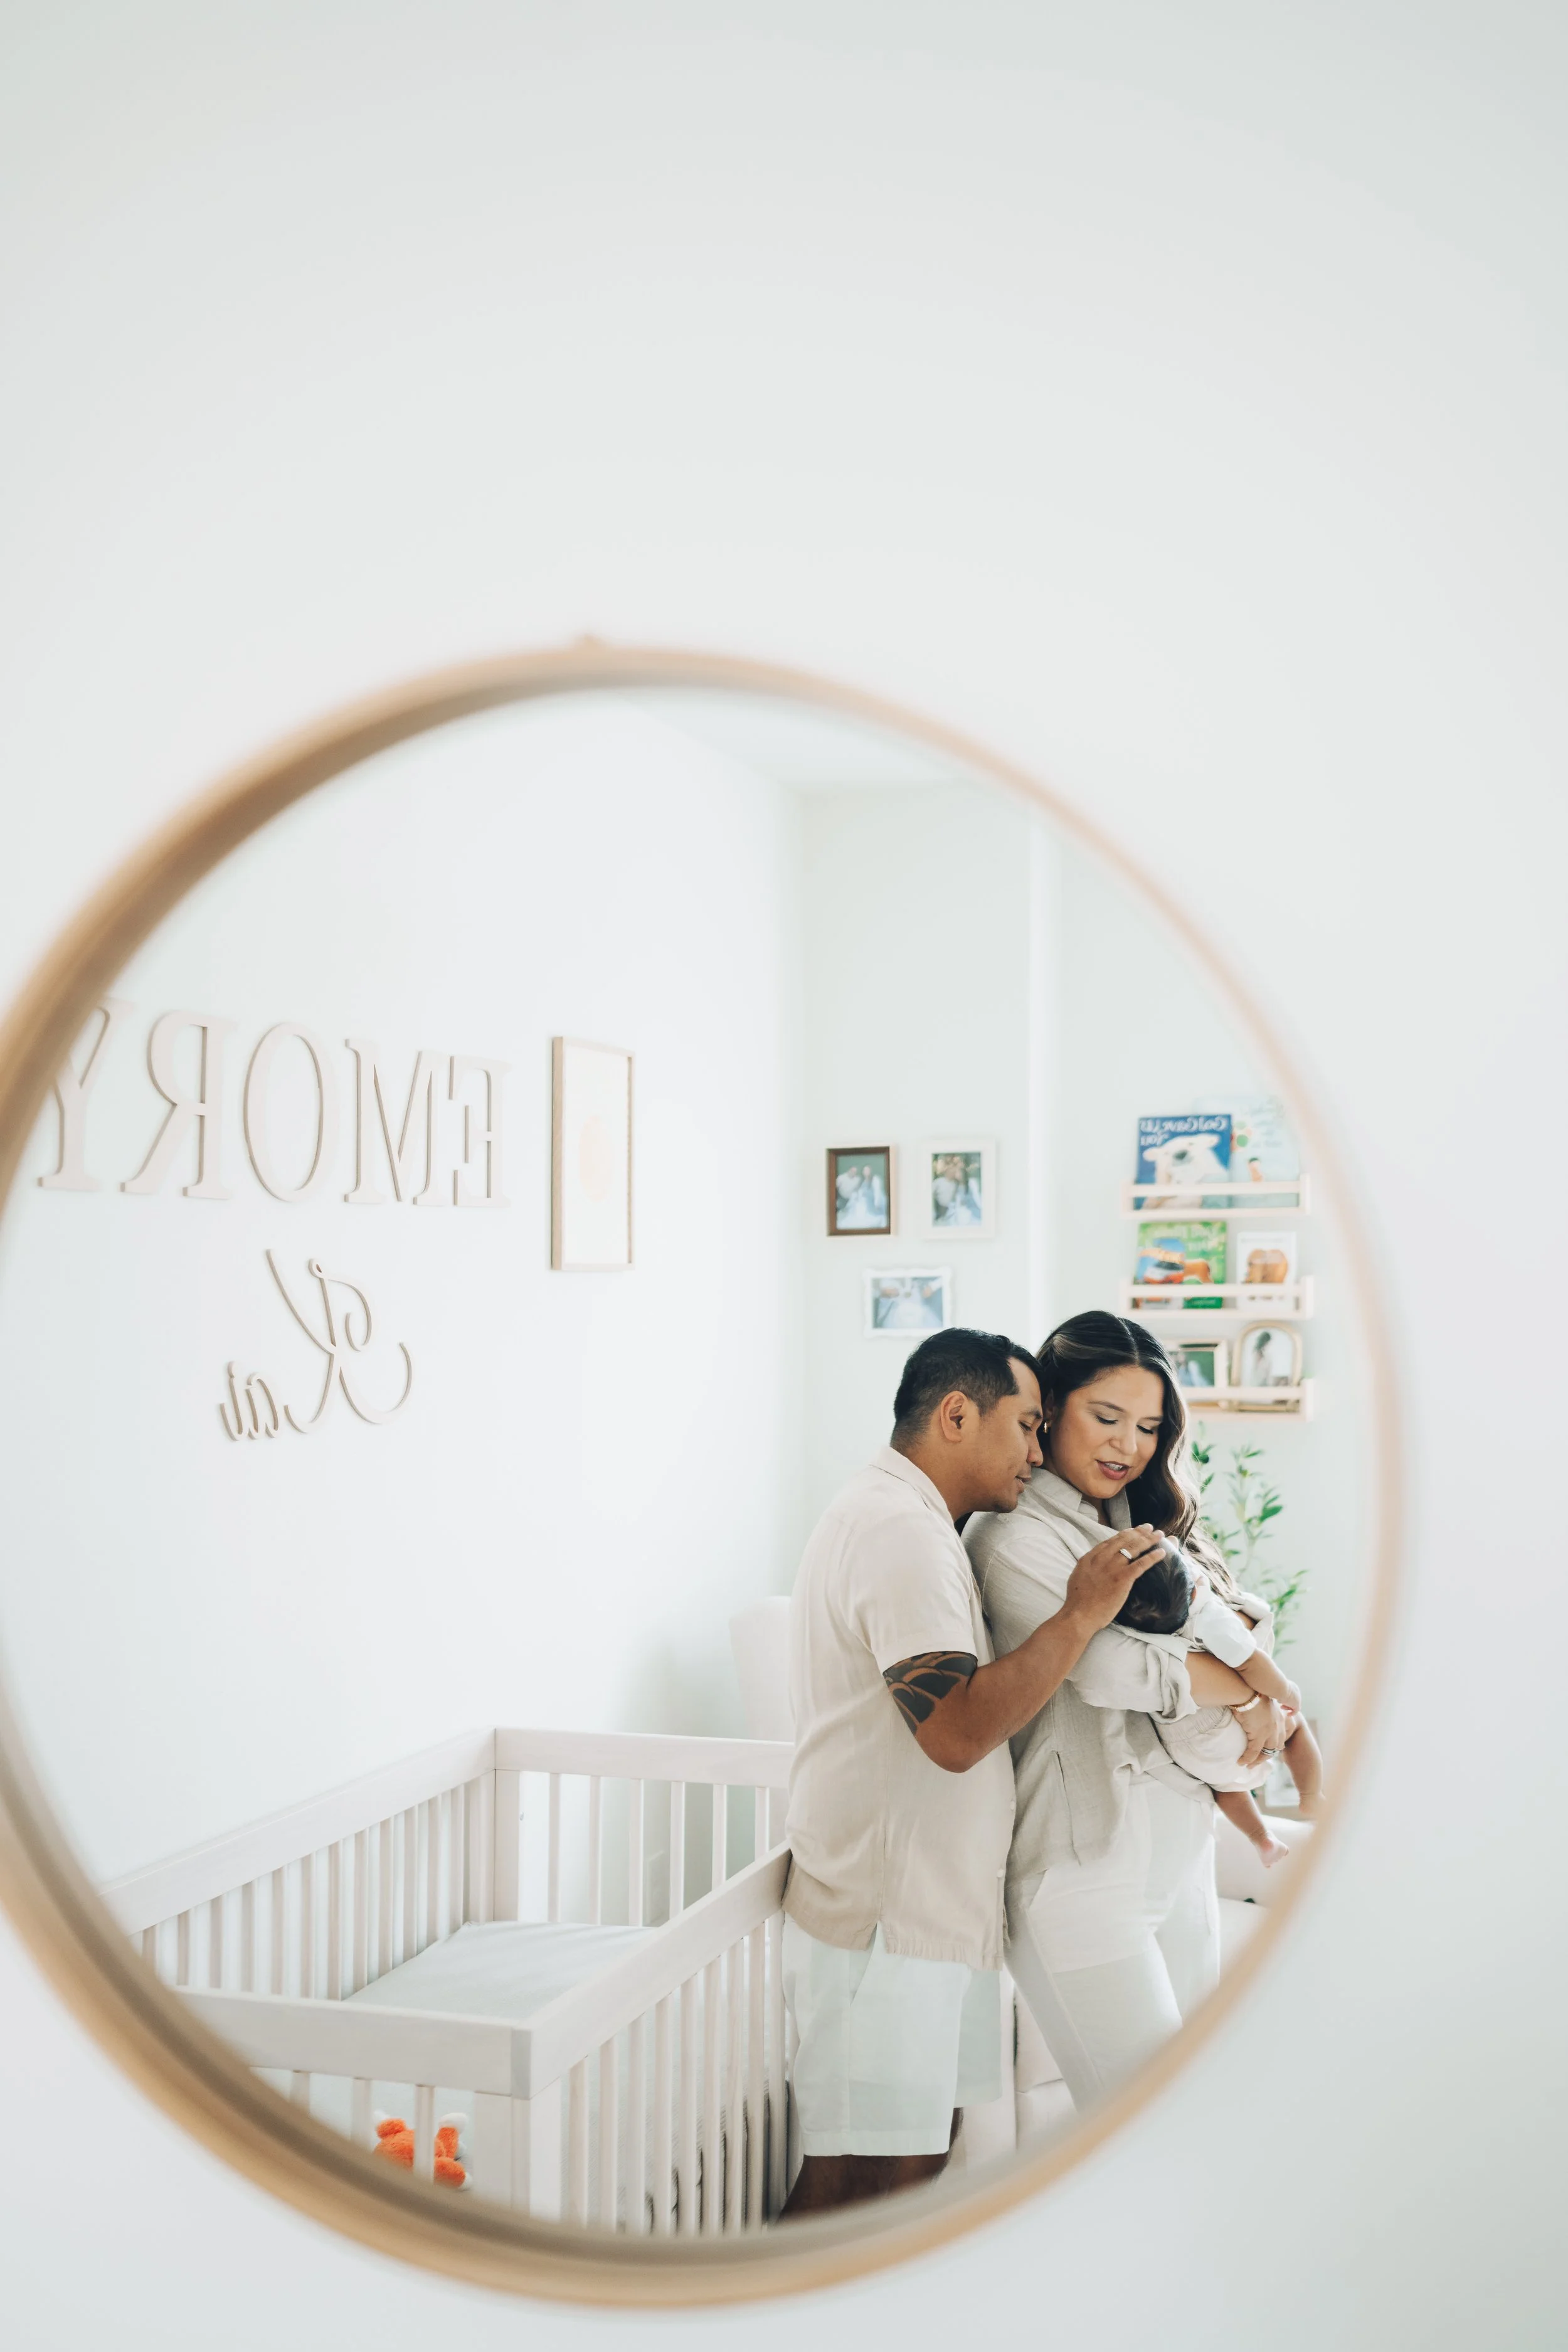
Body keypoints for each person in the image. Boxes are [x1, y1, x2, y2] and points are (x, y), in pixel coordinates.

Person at [779, 1326, 1160, 2217]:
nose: (1038, 1449)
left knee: (910, 2165)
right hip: (884, 1920)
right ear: (957, 1414)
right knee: (858, 2180)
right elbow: (952, 1732)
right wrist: (1079, 1616)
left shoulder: (914, 1523)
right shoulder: (897, 1533)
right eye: (1027, 1424)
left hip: (925, 1915)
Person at [965, 1311, 1295, 2115]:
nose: (1129, 1445)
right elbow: (1107, 1671)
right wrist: (1248, 1688)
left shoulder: (1138, 1521)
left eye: (1148, 1427)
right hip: (1080, 1880)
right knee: (1143, 2131)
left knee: (1200, 2115)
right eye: (1105, 1418)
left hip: (1177, 1862)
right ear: (1050, 1410)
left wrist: (1242, 1678)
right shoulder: (1013, 1536)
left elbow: (1245, 1620)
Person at [1113, 1542, 1325, 1865]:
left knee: (1223, 1786)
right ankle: (1311, 1797)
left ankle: (1262, 1839)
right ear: (1195, 1589)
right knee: (1295, 1727)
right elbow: (1251, 1664)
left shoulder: (1134, 1629)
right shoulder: (1210, 1619)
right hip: (1222, 1722)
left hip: (1183, 1739)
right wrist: (1286, 1691)